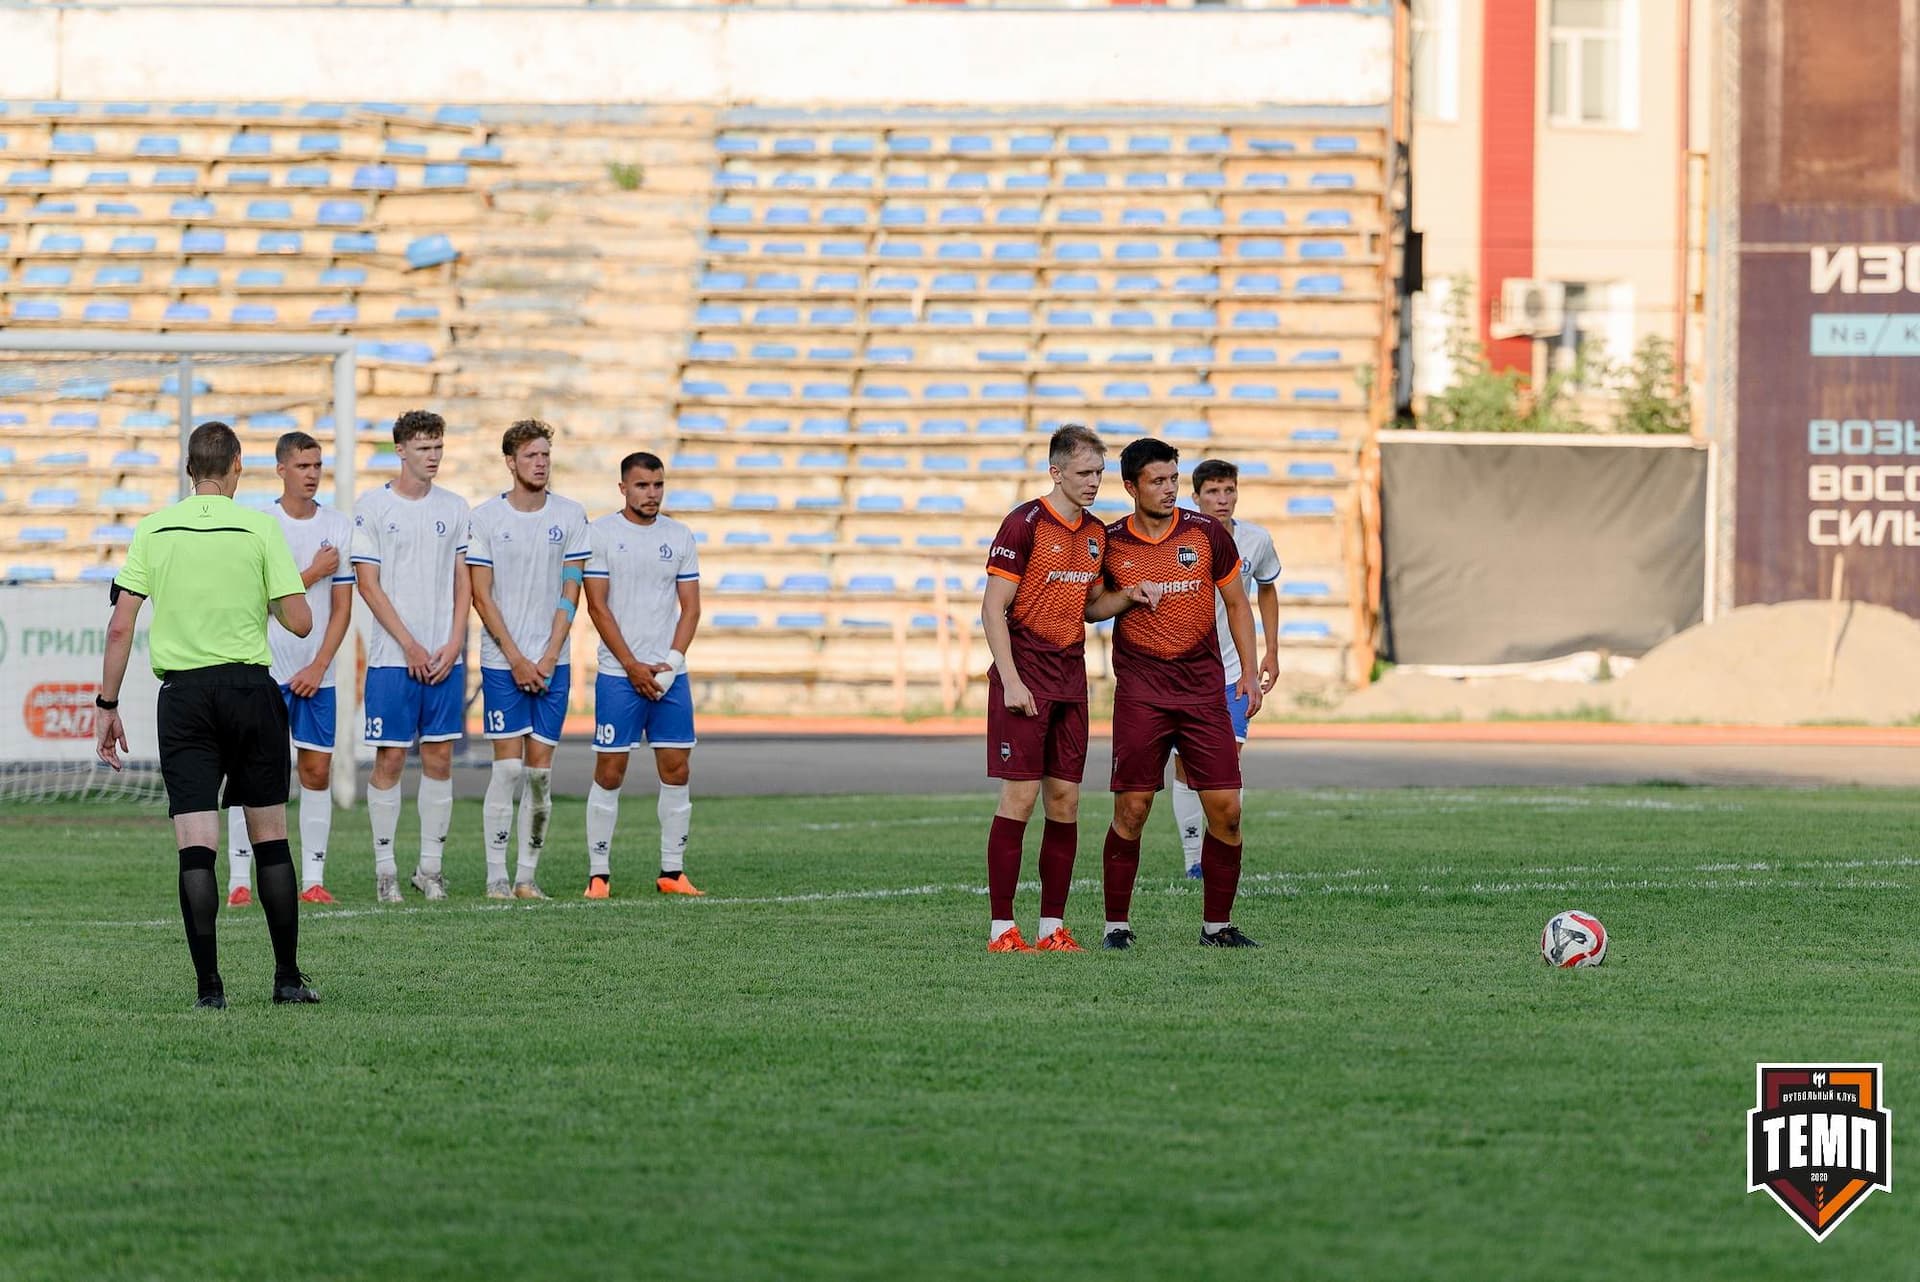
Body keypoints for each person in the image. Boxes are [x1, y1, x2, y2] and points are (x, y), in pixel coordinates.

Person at [95, 420, 321, 1008]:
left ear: (189, 469)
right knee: (271, 840)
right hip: (249, 691)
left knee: (196, 846)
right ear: (238, 465)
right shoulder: (260, 527)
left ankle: (209, 990)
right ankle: (287, 980)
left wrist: (107, 705)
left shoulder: (154, 528)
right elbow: (301, 622)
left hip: (184, 697)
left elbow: (120, 627)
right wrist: (265, 592)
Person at [1092, 437, 1263, 949]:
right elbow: (1092, 608)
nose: (1169, 489)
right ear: (1131, 487)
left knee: (1227, 810)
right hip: (1141, 693)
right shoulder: (1110, 542)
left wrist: (1248, 671)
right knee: (1133, 810)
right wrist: (1127, 596)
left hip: (1204, 692)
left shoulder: (1206, 534)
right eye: (1157, 481)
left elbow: (1238, 604)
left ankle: (1217, 927)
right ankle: (1116, 927)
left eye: (1173, 479)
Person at [977, 424, 1124, 954]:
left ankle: (1051, 929)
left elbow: (1092, 606)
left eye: (1099, 473)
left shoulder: (1096, 532)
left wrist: (1129, 596)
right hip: (1026, 675)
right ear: (1055, 472)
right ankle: (1001, 929)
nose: (1093, 482)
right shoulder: (1025, 524)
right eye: (1084, 473)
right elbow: (993, 608)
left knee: (1065, 800)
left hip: (1070, 678)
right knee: (1020, 797)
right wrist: (1011, 680)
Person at [224, 431, 355, 907]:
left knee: (316, 771)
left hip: (318, 675)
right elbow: (253, 599)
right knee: (251, 774)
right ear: (281, 469)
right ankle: (239, 880)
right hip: (265, 673)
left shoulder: (338, 526)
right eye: (303, 466)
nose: (312, 474)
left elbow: (342, 609)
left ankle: (313, 880)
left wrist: (319, 666)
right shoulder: (260, 525)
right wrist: (312, 572)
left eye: (317, 465)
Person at [351, 410, 471, 903]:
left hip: (444, 657)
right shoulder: (372, 507)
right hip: (392, 659)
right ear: (400, 450)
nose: (433, 456)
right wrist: (410, 644)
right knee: (392, 758)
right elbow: (368, 585)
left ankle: (430, 869)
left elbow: (464, 580)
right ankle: (386, 871)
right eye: (424, 448)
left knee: (440, 757)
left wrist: (455, 640)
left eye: (438, 447)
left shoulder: (456, 507)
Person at [467, 420, 591, 900]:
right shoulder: (485, 519)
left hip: (551, 662)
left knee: (540, 776)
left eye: (545, 456)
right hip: (504, 663)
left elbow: (571, 590)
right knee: (507, 770)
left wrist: (550, 653)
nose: (540, 464)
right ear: (510, 462)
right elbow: (482, 596)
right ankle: (496, 876)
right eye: (531, 456)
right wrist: (518, 658)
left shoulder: (571, 515)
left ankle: (525, 877)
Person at [581, 452, 703, 899]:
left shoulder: (680, 535)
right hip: (619, 674)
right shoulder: (601, 534)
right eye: (642, 486)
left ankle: (672, 871)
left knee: (677, 768)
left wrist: (671, 662)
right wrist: (631, 664)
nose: (651, 494)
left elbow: (691, 608)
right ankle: (599, 875)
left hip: (669, 676)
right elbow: (597, 607)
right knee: (611, 770)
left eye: (657, 485)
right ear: (623, 488)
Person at [1168, 459, 1281, 877]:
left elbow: (1267, 589)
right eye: (1213, 492)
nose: (1222, 499)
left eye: (1229, 490)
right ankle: (1193, 860)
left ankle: (1221, 856)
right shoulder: (1178, 540)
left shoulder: (1256, 540)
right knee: (1185, 766)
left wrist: (1271, 651)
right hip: (1185, 674)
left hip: (1234, 673)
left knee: (1226, 764)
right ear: (1195, 497)